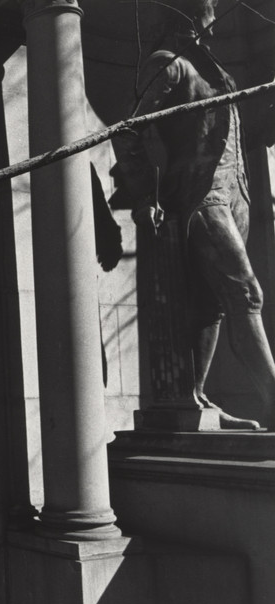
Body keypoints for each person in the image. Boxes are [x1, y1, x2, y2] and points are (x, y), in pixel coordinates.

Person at [112, 0, 275, 428]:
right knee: (246, 294)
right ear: (186, 13)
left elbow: (241, 134)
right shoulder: (169, 64)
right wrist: (146, 194)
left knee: (212, 307)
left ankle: (193, 399)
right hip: (200, 198)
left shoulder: (218, 73)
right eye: (209, 6)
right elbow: (127, 130)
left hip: (236, 198)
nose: (215, 15)